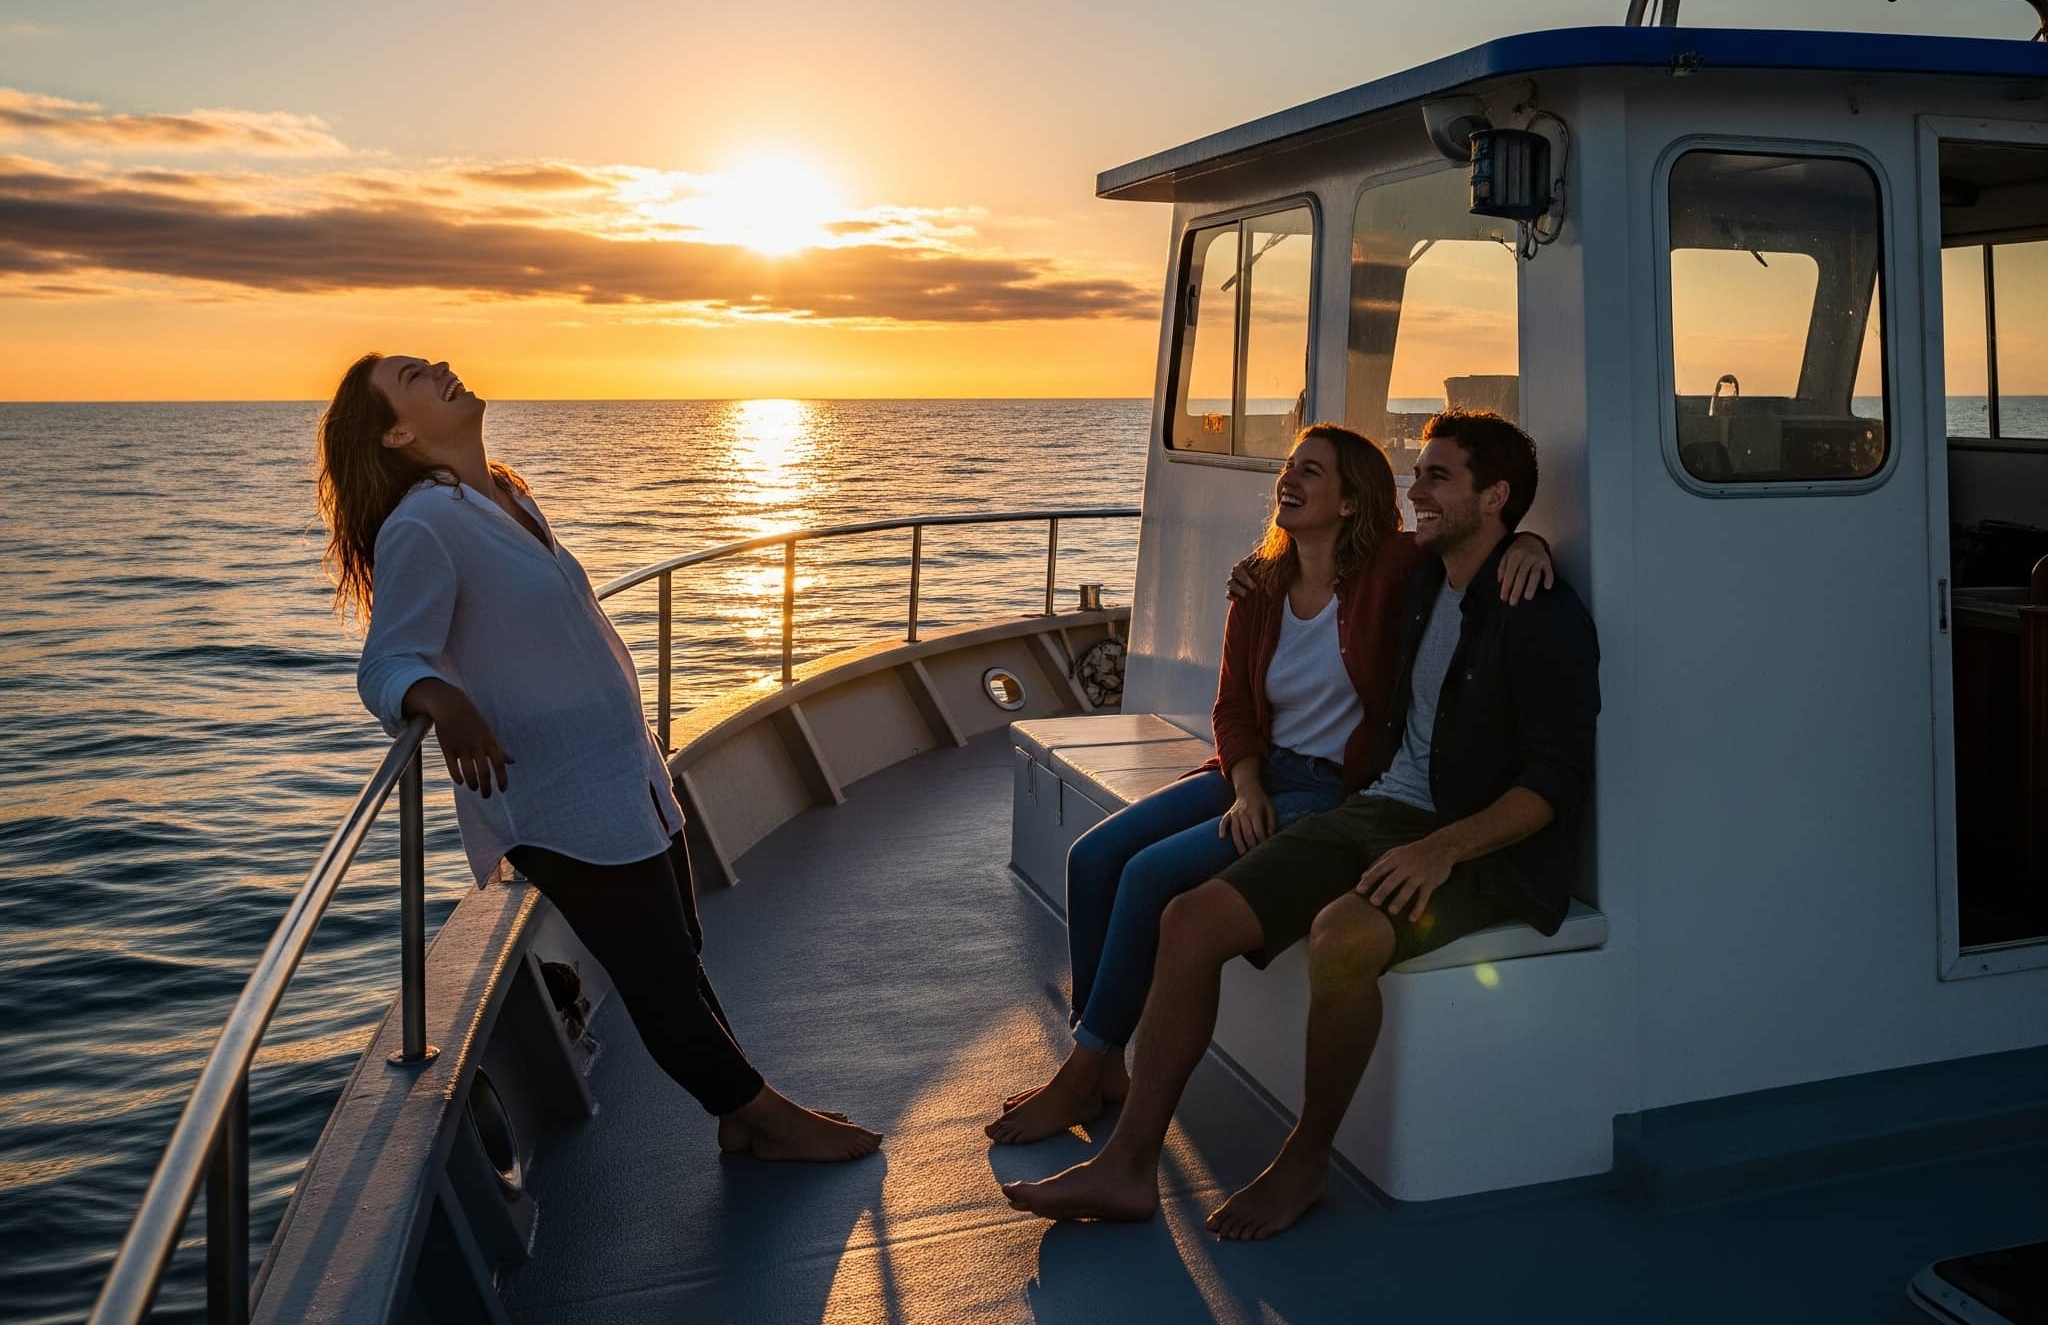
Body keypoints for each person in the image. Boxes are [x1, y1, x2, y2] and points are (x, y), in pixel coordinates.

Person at [1003, 409, 1598, 1234]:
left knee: (1341, 937)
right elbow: (1344, 573)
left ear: (1493, 496)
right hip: (1380, 807)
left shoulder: (1538, 613)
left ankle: (1306, 1159)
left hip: (1472, 840)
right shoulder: (1424, 578)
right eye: (1414, 474)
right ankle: (1127, 1166)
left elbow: (1557, 780)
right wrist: (1260, 569)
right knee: (1188, 917)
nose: (1413, 491)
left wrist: (1441, 849)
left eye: (1435, 477)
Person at [318, 351, 880, 1163]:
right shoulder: (423, 525)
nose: (439, 364)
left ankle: (741, 1109)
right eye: (412, 375)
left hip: (625, 776)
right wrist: (439, 699)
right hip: (556, 797)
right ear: (398, 432)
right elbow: (387, 661)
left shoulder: (504, 495)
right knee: (657, 978)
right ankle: (759, 1115)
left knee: (680, 949)